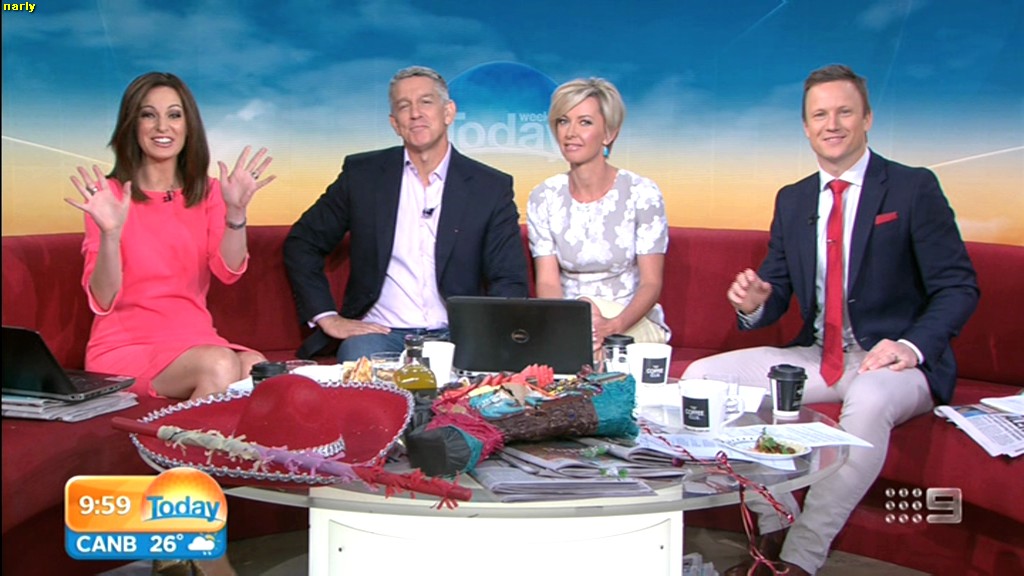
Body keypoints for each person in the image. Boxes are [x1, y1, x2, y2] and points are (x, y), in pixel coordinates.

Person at [683, 64, 979, 575]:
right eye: (820, 115)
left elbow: (958, 287)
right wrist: (755, 302)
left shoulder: (912, 188)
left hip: (896, 361)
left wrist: (910, 347)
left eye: (844, 112)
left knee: (868, 400)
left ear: (867, 118)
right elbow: (776, 290)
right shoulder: (793, 198)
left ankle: (800, 557)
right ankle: (775, 519)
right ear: (806, 127)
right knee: (701, 379)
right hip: (821, 356)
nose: (832, 124)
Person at [284, 66, 529, 362]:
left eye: (426, 102)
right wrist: (326, 316)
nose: (415, 113)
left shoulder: (489, 186)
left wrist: (485, 335)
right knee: (359, 358)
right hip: (381, 333)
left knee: (478, 372)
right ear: (394, 123)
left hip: (456, 334)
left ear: (448, 112)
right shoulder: (362, 176)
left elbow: (509, 278)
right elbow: (303, 242)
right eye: (404, 106)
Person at [66, 72, 276, 403]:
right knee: (219, 365)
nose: (162, 126)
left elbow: (228, 272)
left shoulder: (209, 192)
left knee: (256, 366)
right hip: (126, 345)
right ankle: (181, 438)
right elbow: (102, 298)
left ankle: (199, 436)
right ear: (132, 126)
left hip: (196, 338)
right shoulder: (109, 196)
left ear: (188, 126)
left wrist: (236, 211)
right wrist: (110, 234)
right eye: (148, 115)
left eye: (174, 115)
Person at [527, 77, 670, 352]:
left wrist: (613, 326)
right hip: (571, 320)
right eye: (563, 121)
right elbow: (547, 281)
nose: (570, 132)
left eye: (585, 122)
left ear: (609, 134)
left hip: (630, 321)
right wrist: (564, 325)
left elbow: (651, 283)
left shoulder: (642, 192)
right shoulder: (544, 196)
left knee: (591, 338)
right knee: (578, 328)